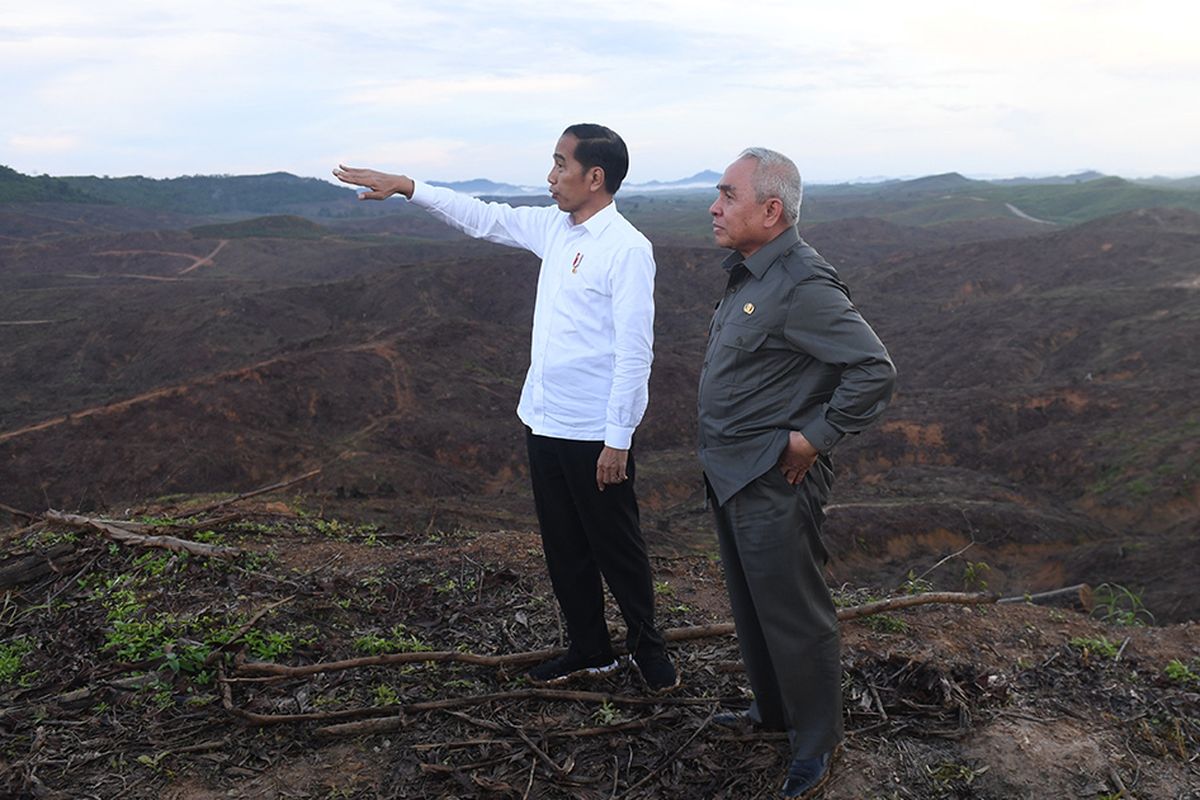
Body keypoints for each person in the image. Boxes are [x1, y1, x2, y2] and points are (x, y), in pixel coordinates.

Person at [332, 124, 677, 693]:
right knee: (563, 544)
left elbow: (635, 352)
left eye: (560, 165)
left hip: (594, 432)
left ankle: (649, 649)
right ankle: (590, 649)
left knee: (616, 545)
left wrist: (619, 437)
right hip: (543, 419)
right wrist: (410, 186)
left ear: (595, 177)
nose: (550, 176)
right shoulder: (554, 229)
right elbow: (484, 216)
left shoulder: (627, 248)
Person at [698, 148, 896, 798]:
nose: (715, 206)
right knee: (754, 609)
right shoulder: (752, 276)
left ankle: (817, 745)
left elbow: (873, 368)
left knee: (794, 614)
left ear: (771, 209)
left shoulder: (803, 281)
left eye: (728, 195)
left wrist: (814, 437)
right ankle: (773, 713)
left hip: (774, 480)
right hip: (734, 475)